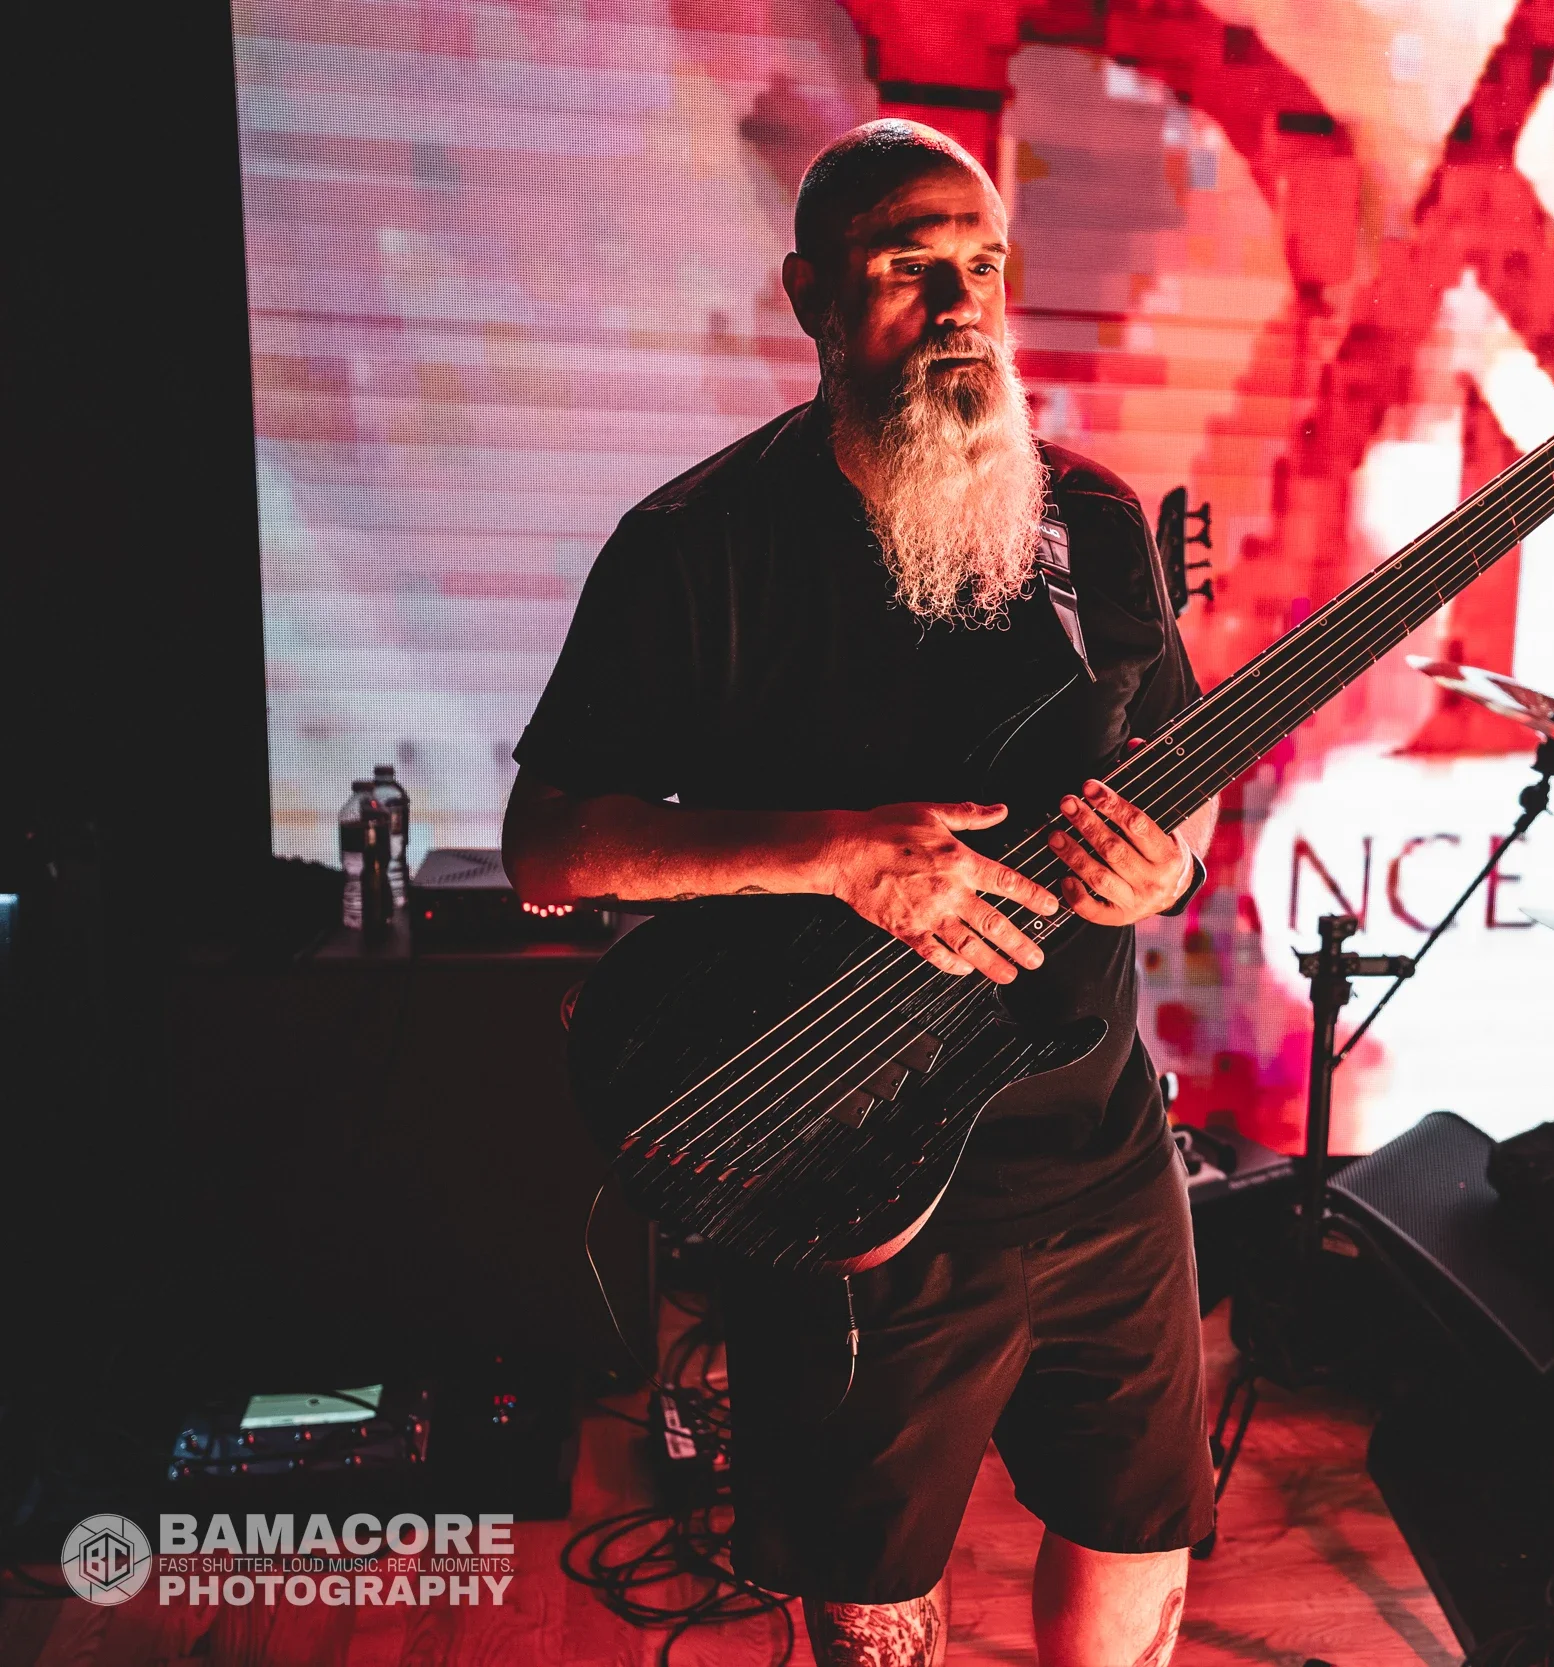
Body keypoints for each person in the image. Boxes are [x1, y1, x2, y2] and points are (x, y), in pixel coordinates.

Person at [502, 120, 1216, 1667]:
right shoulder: (693, 549)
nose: (960, 302)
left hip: (1097, 1134)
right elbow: (550, 846)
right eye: (909, 267)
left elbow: (1178, 763)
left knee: (1138, 1522)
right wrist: (831, 850)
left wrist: (1181, 854)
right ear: (813, 295)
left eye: (982, 267)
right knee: (874, 1576)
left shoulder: (1090, 520)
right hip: (850, 1161)